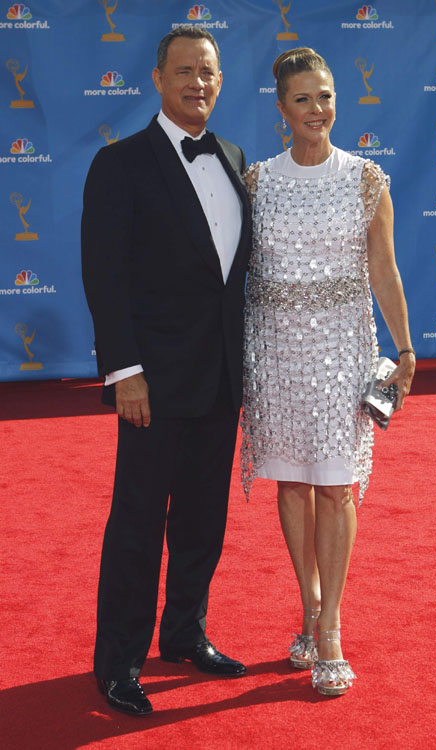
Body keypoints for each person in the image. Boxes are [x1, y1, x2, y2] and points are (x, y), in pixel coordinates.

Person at [81, 26, 251, 716]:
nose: (196, 83)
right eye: (183, 71)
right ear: (156, 79)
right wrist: (125, 370)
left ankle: (183, 634)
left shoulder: (235, 156)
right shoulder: (119, 163)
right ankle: (117, 660)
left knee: (203, 520)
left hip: (220, 377)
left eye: (206, 72)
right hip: (152, 381)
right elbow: (104, 275)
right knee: (138, 522)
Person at [241, 48, 415, 697]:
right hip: (276, 350)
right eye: (303, 99)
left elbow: (384, 270)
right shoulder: (257, 182)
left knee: (336, 487)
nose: (318, 109)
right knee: (291, 484)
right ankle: (308, 609)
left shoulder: (366, 178)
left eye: (326, 96)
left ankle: (332, 628)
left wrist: (404, 350)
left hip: (343, 347)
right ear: (281, 109)